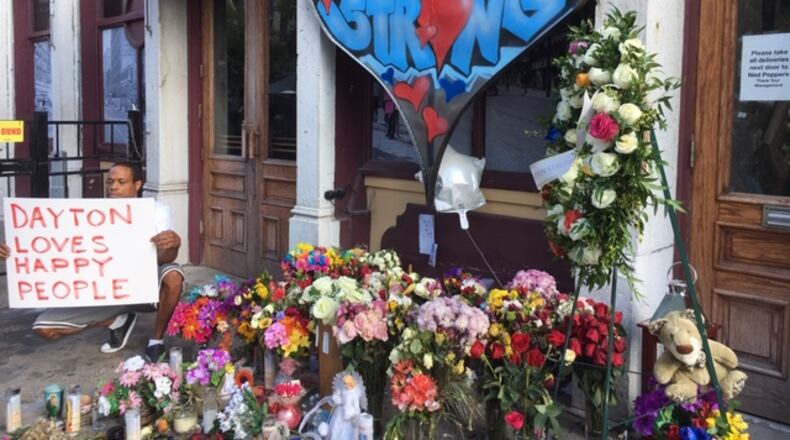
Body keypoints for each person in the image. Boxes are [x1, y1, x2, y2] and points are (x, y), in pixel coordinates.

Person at [0, 162, 184, 361]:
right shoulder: (89, 215)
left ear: (137, 185)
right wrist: (14, 251)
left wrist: (173, 245)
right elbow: (53, 247)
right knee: (45, 329)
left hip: (140, 287)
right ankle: (116, 321)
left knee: (172, 275)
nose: (113, 187)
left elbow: (165, 258)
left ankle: (156, 341)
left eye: (121, 182)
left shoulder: (156, 211)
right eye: (110, 182)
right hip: (102, 291)